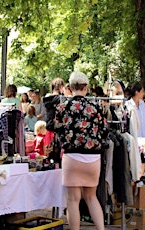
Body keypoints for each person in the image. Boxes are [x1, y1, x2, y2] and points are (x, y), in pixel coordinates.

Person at [54, 71, 108, 230]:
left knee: (73, 200)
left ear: (70, 87)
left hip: (72, 156)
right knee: (91, 197)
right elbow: (104, 131)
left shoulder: (63, 107)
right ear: (86, 87)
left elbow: (57, 130)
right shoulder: (96, 107)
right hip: (93, 159)